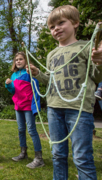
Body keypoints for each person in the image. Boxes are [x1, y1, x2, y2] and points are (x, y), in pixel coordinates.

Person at [26, 5, 102, 180]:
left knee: (82, 157)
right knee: (58, 155)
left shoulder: (86, 47)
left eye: (61, 23)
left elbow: (96, 77)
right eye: (52, 27)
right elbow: (50, 82)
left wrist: (99, 62)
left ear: (75, 23)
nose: (56, 29)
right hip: (54, 108)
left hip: (78, 109)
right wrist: (39, 75)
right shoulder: (51, 55)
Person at [5, 52, 44, 169]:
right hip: (18, 106)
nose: (18, 61)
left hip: (28, 106)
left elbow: (36, 88)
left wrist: (35, 106)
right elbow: (13, 91)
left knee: (32, 130)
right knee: (21, 130)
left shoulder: (29, 74)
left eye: (21, 59)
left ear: (26, 61)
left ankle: (39, 158)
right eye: (16, 59)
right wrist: (8, 85)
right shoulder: (14, 75)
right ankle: (23, 153)